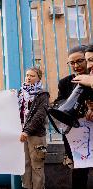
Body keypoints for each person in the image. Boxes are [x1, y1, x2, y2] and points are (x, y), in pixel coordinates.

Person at [53, 45, 89, 189]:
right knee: (79, 170)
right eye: (72, 63)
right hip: (76, 133)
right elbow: (59, 102)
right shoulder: (65, 82)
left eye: (79, 61)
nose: (76, 66)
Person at [18, 67, 49, 189]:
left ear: (38, 78)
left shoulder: (43, 94)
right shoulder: (20, 93)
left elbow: (40, 115)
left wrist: (27, 131)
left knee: (37, 165)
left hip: (36, 135)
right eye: (27, 75)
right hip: (22, 134)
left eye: (32, 76)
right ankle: (27, 187)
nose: (28, 78)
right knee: (24, 164)